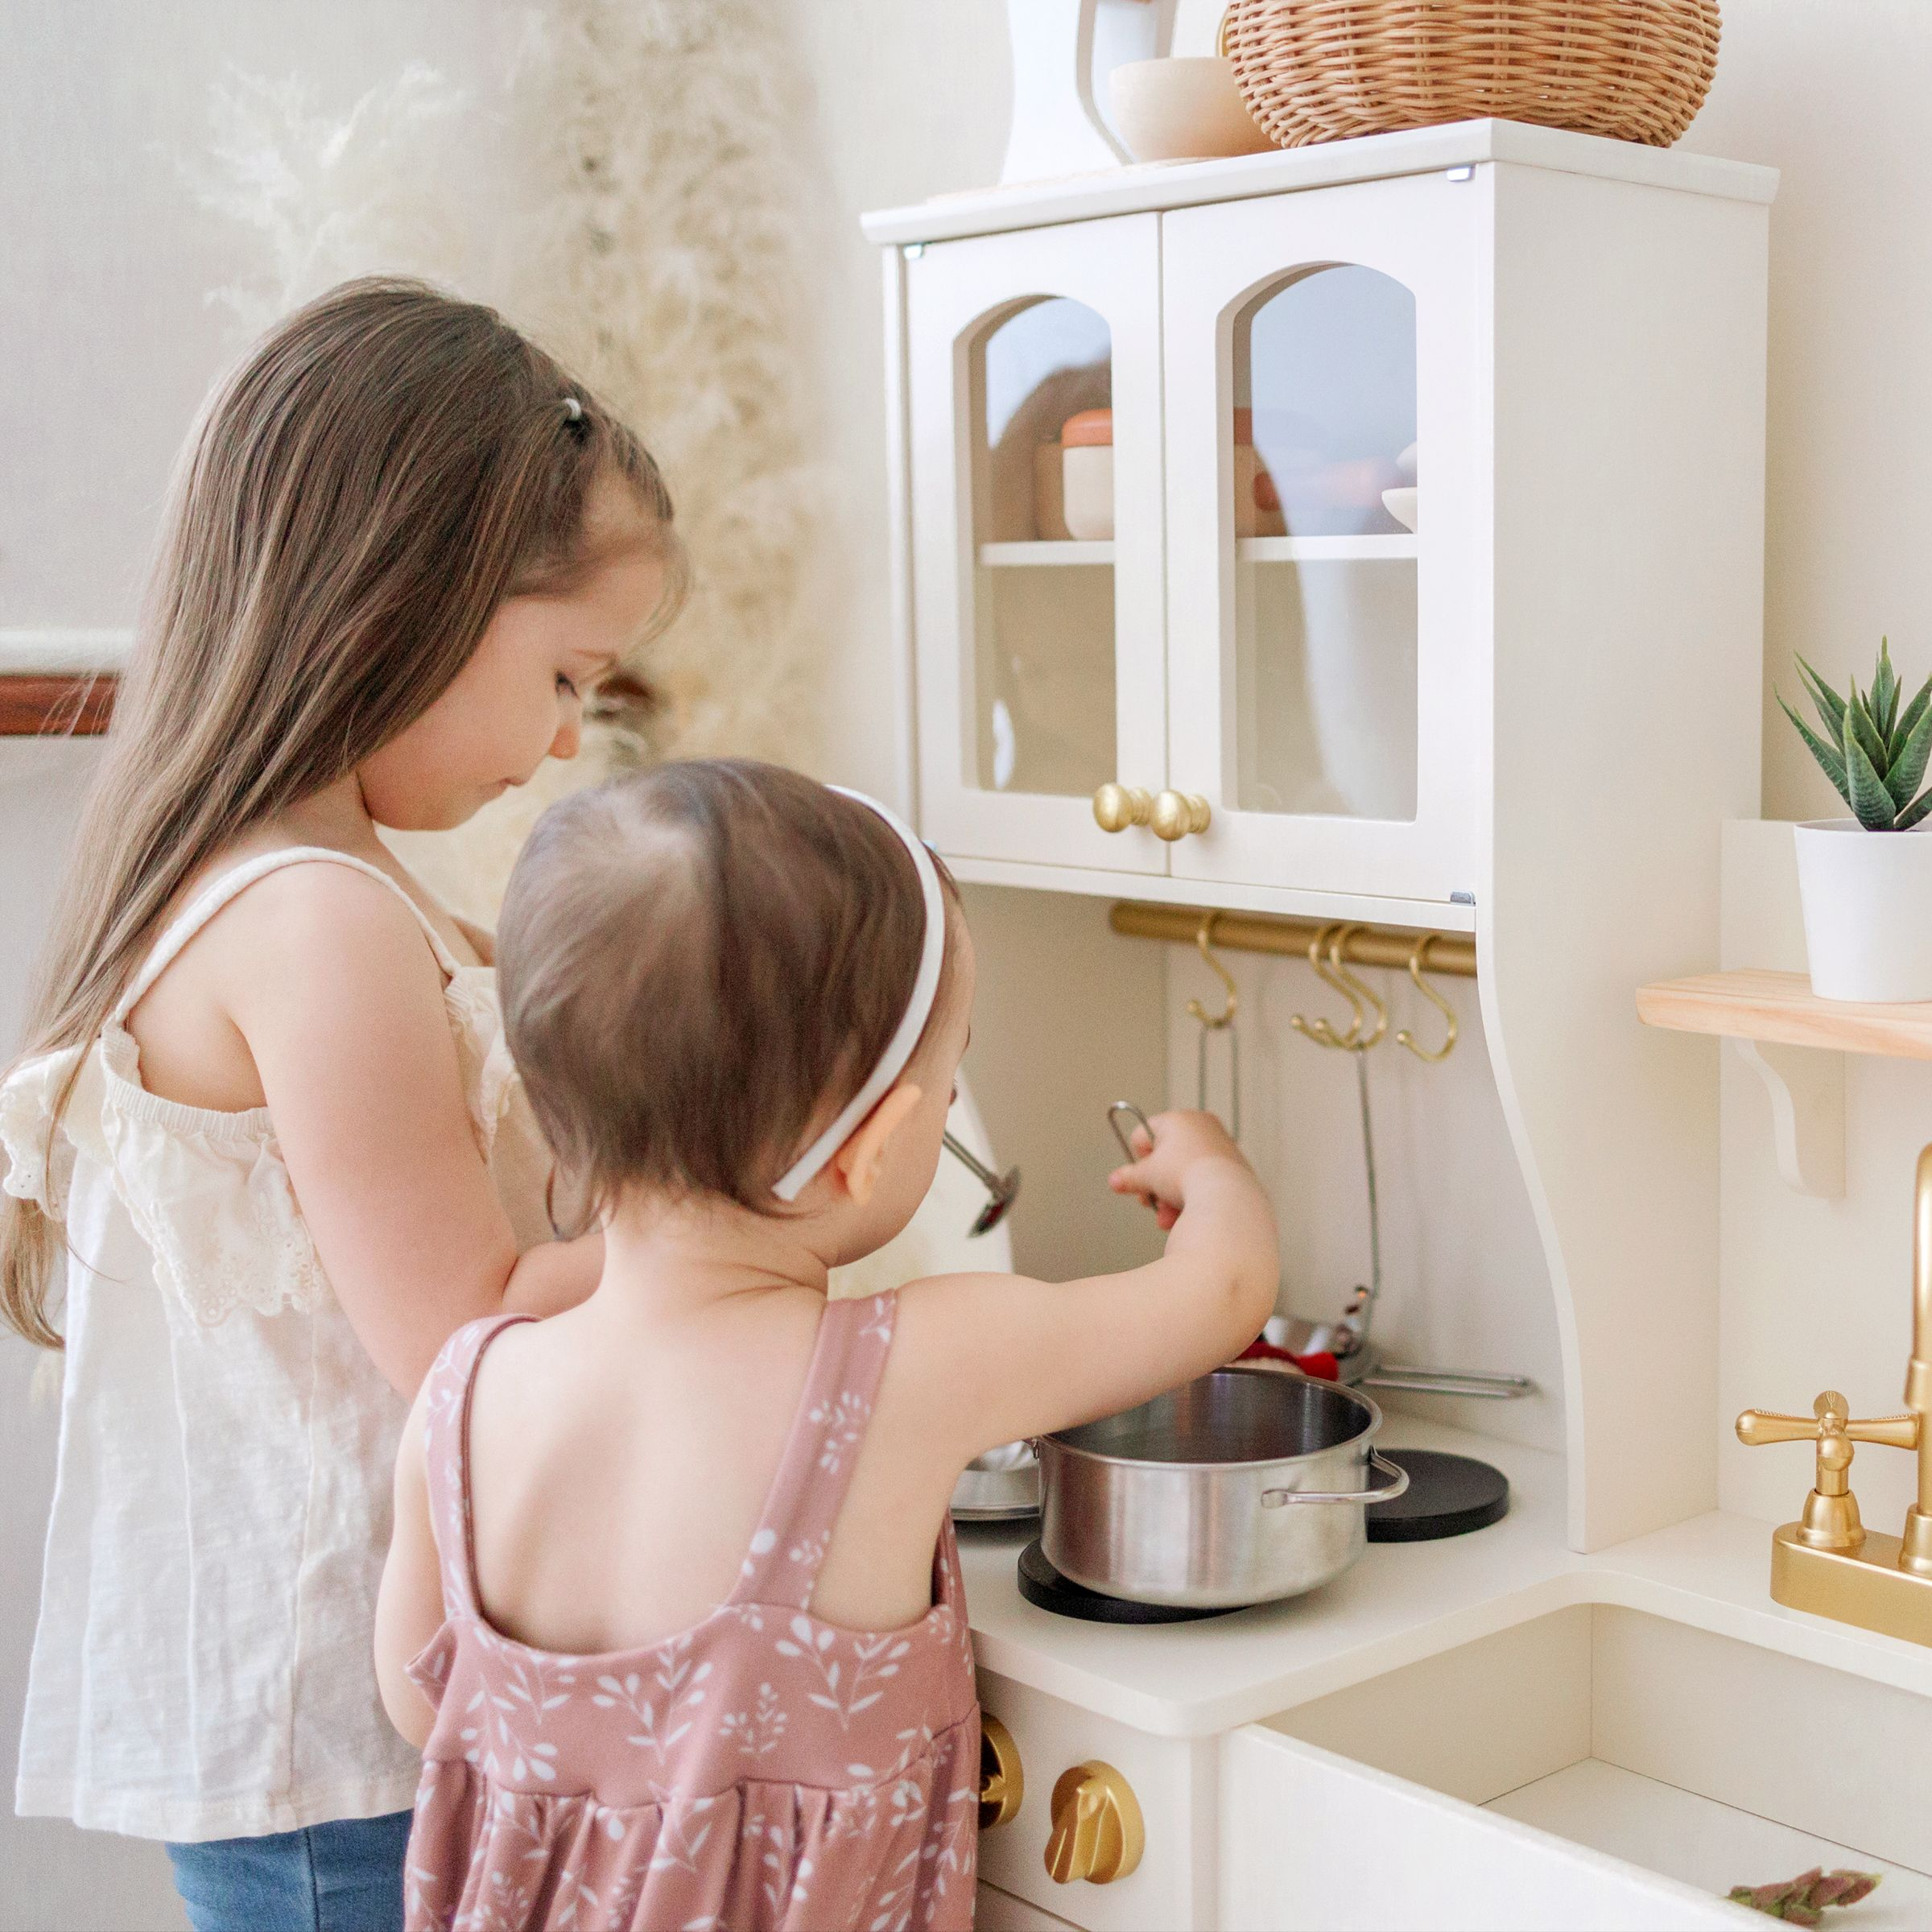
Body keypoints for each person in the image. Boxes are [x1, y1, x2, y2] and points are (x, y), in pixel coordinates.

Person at [0, 279, 683, 1932]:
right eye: (564, 671)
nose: (566, 733)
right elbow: (459, 1326)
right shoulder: (318, 922)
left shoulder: (307, 888)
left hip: (343, 1722)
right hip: (352, 1745)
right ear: (403, 597)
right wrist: (727, 1209)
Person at [375, 760, 1279, 1930]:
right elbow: (1224, 1292)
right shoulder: (901, 1370)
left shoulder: (464, 1389)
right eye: (943, 1089)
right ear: (874, 1145)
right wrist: (1206, 1163)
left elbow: (417, 1700)